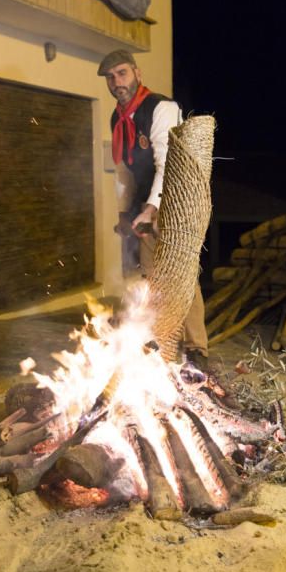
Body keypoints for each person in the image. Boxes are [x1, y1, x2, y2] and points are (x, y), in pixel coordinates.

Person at [98, 49, 208, 367]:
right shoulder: (117, 117)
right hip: (145, 203)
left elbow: (167, 163)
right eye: (110, 77)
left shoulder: (161, 107)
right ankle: (161, 342)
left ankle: (197, 347)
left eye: (122, 73)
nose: (116, 82)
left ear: (137, 73)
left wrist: (151, 207)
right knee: (151, 276)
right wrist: (123, 211)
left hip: (173, 201)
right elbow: (123, 169)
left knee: (182, 273)